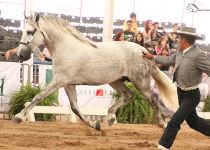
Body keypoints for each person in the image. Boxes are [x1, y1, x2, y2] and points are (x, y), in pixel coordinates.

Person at [144, 26, 210, 150]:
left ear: (184, 40)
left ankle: (163, 146)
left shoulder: (198, 55)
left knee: (174, 121)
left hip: (191, 96)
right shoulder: (179, 51)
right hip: (181, 93)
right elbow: (169, 60)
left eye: (179, 38)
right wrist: (152, 57)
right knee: (194, 123)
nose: (177, 40)